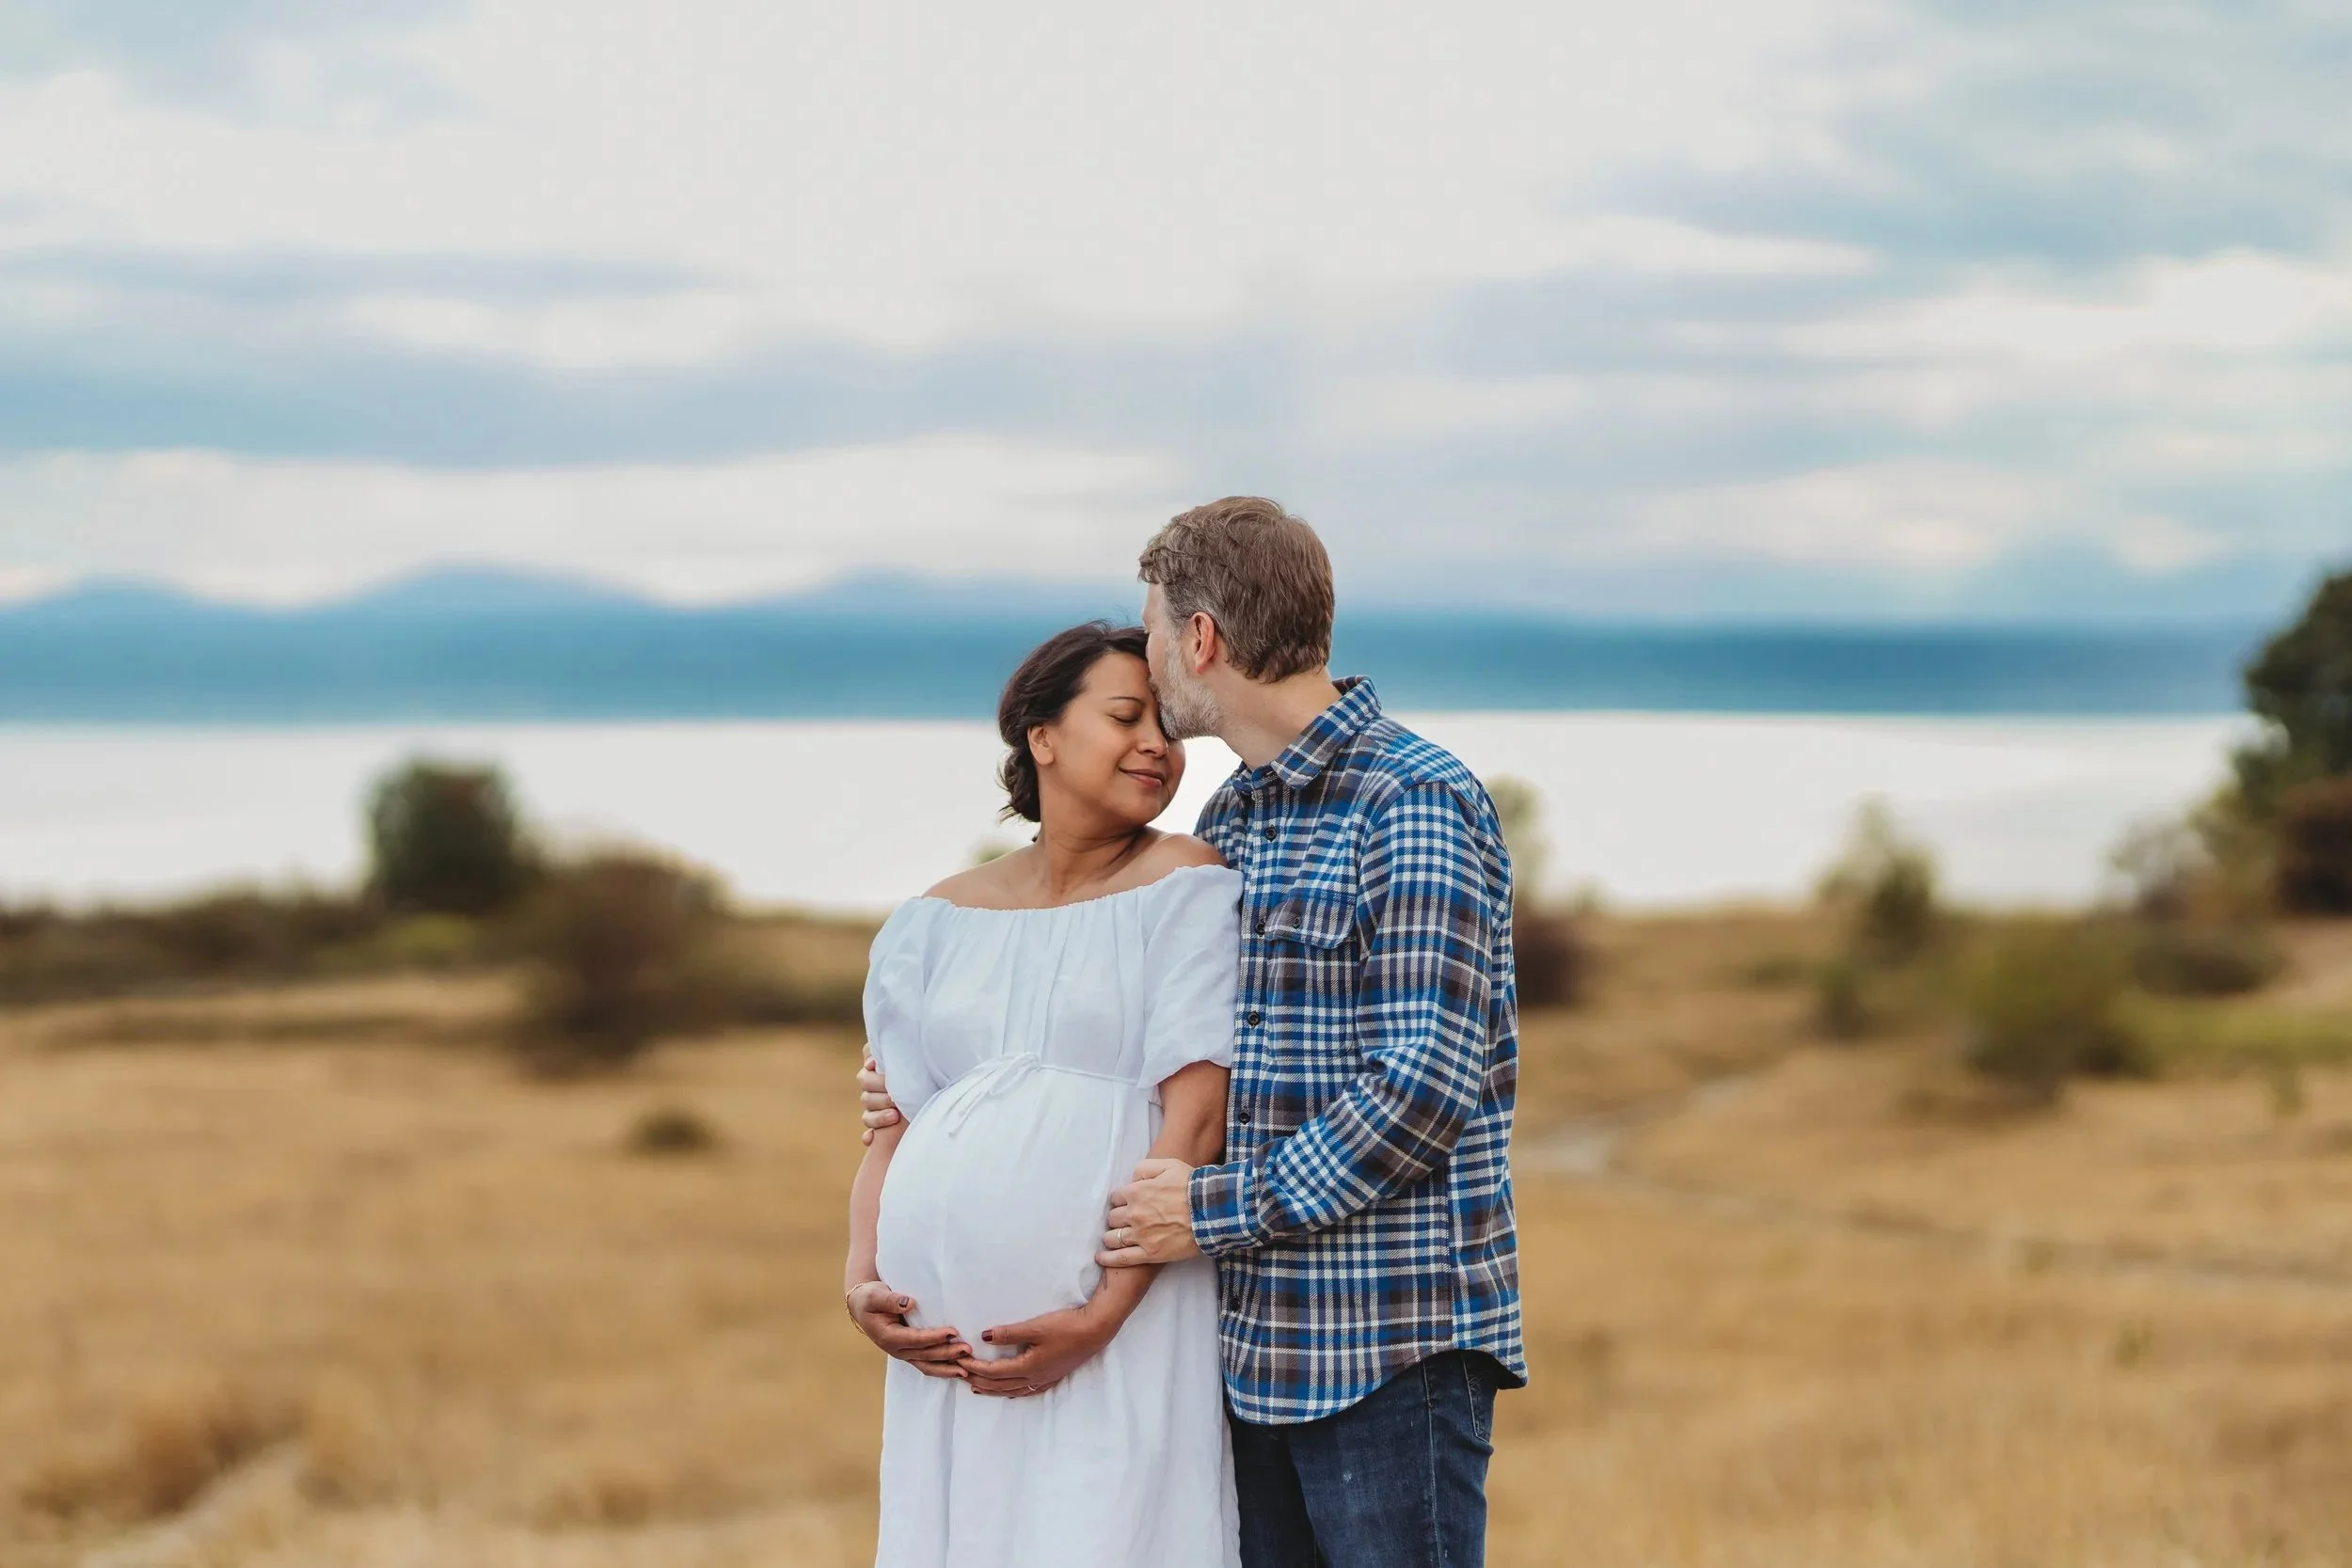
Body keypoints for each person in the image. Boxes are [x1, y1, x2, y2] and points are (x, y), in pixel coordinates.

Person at [867, 499, 1526, 1567]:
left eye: (1155, 627)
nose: (1153, 674)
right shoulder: (1235, 822)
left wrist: (1208, 1208)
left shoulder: (1410, 798)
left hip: (1384, 1343)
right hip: (1241, 1347)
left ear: (1201, 639)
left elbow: (1424, 1083)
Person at [843, 620, 1244, 1568]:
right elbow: (892, 1128)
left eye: (1170, 725)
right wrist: (860, 1279)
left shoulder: (1183, 884)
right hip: (947, 1357)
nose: (1156, 742)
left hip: (1120, 1327)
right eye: (1125, 715)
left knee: (1108, 1530)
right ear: (1042, 734)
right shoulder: (931, 919)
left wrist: (1103, 1312)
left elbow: (1196, 1118)